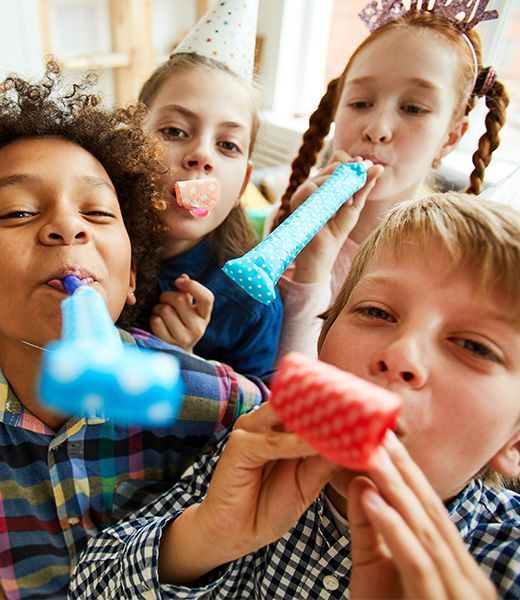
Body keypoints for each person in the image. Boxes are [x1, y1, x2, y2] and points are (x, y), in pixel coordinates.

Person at [0, 62, 266, 599]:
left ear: (131, 279)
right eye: (18, 212)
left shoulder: (216, 405)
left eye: (98, 213)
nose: (68, 225)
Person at [69, 192, 520, 599]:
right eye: (376, 311)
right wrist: (206, 535)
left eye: (474, 346)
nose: (401, 354)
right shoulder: (257, 450)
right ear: (322, 346)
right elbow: (89, 586)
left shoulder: (506, 561)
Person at [274, 0, 509, 362]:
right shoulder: (291, 232)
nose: (376, 129)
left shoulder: (446, 266)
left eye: (413, 108)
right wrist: (312, 264)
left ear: (450, 137)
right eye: (360, 103)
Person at [138, 0, 284, 380]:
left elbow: (252, 420)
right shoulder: (85, 245)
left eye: (228, 145)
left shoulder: (252, 301)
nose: (201, 155)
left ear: (243, 183)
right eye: (174, 131)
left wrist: (189, 363)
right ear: (127, 145)